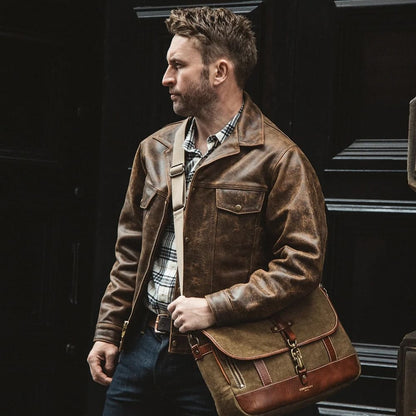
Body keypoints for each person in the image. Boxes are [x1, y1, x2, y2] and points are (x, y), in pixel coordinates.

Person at [87, 6, 327, 416]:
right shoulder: (155, 149)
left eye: (178, 65)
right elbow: (130, 253)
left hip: (221, 359)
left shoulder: (278, 158)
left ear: (219, 72)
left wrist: (214, 307)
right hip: (140, 351)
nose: (166, 78)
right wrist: (108, 330)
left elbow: (301, 266)